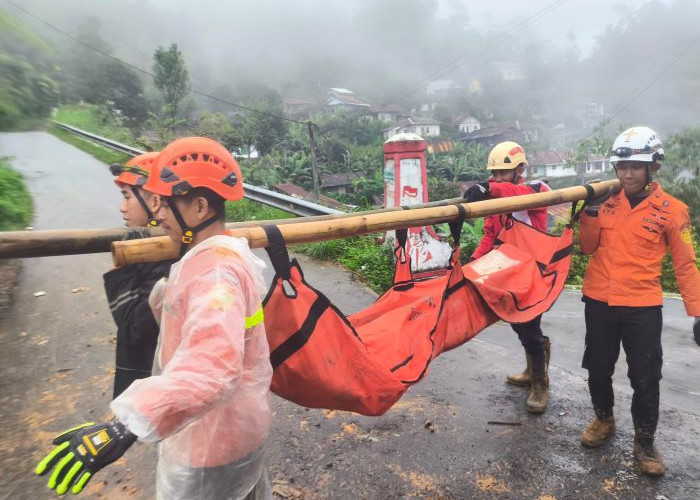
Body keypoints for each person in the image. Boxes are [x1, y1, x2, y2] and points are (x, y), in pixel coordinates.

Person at [36, 137, 273, 500]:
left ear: (199, 206)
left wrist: (124, 426)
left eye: (165, 202)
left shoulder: (215, 275)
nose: (158, 213)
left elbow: (210, 372)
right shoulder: (214, 257)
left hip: (213, 441)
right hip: (231, 427)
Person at [577, 126, 700, 476]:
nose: (627, 173)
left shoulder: (673, 211)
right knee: (597, 368)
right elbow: (587, 248)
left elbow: (686, 264)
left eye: (636, 166)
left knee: (645, 377)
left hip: (642, 306)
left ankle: (645, 442)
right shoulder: (605, 202)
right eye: (622, 166)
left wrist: (698, 312)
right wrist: (589, 213)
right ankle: (604, 419)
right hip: (599, 300)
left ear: (652, 168)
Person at [463, 141, 551, 414]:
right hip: (507, 269)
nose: (498, 179)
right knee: (517, 322)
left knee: (529, 325)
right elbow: (490, 234)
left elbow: (514, 192)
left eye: (503, 173)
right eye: (494, 174)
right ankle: (532, 368)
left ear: (519, 170)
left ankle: (540, 382)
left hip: (532, 271)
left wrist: (489, 189)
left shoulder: (536, 190)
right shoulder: (498, 200)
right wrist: (472, 263)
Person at [105, 151, 174, 398]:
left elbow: (134, 329)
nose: (122, 208)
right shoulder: (174, 243)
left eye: (127, 197)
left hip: (156, 386)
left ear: (155, 200)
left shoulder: (162, 255)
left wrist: (123, 272)